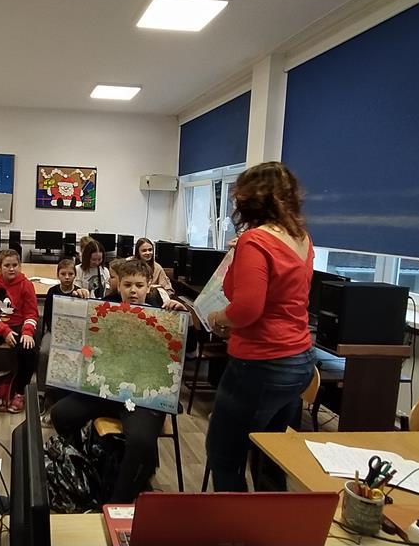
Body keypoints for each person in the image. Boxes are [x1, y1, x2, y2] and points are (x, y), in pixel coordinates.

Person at [204, 161, 318, 492]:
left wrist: (217, 318)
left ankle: (237, 522)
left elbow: (246, 309)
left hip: (261, 363)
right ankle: (271, 519)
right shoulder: (301, 238)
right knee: (269, 453)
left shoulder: (256, 240)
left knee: (224, 455)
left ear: (248, 199)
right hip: (298, 359)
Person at [50, 260, 186, 503]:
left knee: (141, 441)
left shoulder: (164, 315)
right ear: (119, 285)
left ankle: (117, 502)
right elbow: (86, 351)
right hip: (106, 390)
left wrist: (181, 315)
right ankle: (87, 467)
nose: (133, 290)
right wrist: (79, 303)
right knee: (61, 414)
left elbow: (177, 353)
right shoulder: (105, 310)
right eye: (127, 284)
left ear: (149, 286)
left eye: (139, 285)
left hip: (142, 398)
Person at [0, 249, 39, 414]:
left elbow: (31, 313)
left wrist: (27, 332)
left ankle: (20, 392)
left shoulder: (26, 285)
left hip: (19, 325)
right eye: (7, 265)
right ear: (0, 266)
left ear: (20, 266)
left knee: (29, 350)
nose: (11, 269)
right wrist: (4, 331)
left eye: (15, 265)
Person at [38, 258, 89, 391]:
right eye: (63, 274)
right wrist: (54, 332)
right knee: (44, 352)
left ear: (75, 275)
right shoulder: (52, 291)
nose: (67, 277)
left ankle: (75, 388)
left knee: (86, 353)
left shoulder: (79, 292)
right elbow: (47, 316)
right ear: (58, 275)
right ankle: (41, 391)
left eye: (70, 274)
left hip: (74, 333)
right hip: (54, 331)